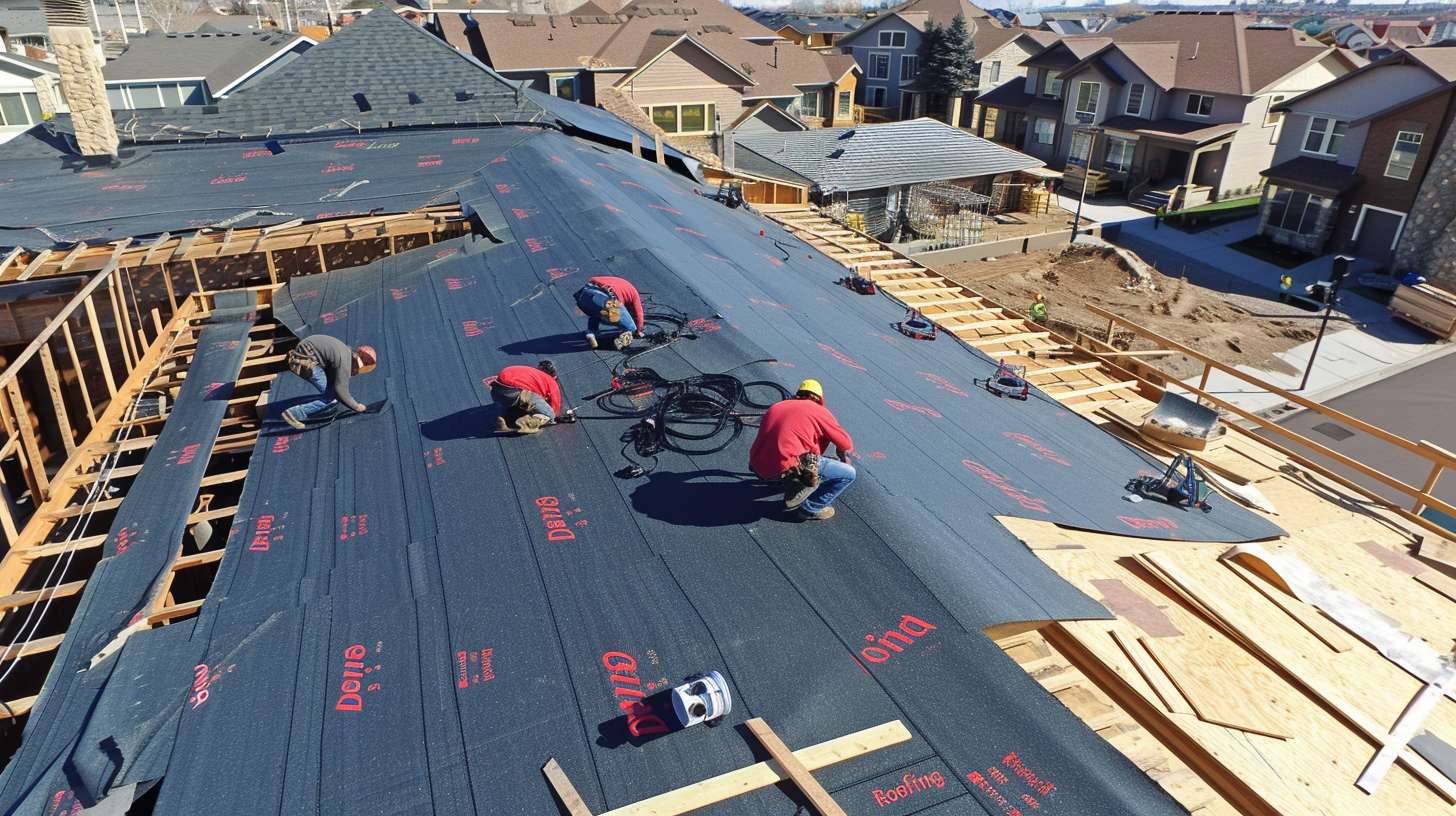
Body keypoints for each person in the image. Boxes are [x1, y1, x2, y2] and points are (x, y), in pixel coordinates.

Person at [749, 379, 855, 521]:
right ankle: (810, 508)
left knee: (798, 454)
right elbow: (846, 444)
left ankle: (791, 482)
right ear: (819, 398)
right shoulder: (819, 411)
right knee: (848, 474)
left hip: (757, 463)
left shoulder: (778, 406)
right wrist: (842, 455)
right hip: (783, 467)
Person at [282, 335, 376, 430]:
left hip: (306, 353)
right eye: (357, 369)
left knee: (331, 387)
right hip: (305, 360)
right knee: (332, 397)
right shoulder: (344, 361)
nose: (355, 372)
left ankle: (315, 406)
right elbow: (340, 391)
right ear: (357, 361)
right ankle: (294, 413)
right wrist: (356, 406)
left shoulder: (346, 353)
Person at [491, 361, 563, 435]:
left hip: (496, 391)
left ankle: (504, 421)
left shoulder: (532, 373)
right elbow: (555, 407)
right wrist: (555, 418)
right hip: (513, 390)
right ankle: (524, 423)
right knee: (550, 415)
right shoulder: (551, 382)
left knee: (521, 404)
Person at [575, 275, 644, 350]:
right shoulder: (634, 295)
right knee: (631, 327)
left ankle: (592, 333)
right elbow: (639, 313)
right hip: (604, 296)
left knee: (597, 312)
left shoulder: (624, 286)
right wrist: (638, 330)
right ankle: (621, 341)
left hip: (584, 294)